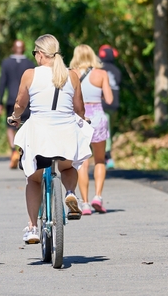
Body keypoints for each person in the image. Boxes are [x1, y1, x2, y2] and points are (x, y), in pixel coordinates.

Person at [8, 34, 93, 242]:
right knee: (67, 167)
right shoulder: (72, 75)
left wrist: (15, 117)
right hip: (65, 132)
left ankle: (32, 227)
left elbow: (20, 103)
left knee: (34, 179)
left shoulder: (30, 74)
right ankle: (70, 192)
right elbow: (79, 107)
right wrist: (84, 119)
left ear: (39, 54)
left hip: (39, 134)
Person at [69, 44, 114, 215]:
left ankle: (85, 203)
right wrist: (100, 92)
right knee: (100, 160)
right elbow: (109, 99)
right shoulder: (101, 74)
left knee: (82, 161)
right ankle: (98, 197)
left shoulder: (71, 73)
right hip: (98, 118)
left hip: (80, 119)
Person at [0, 40, 31, 169]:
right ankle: (22, 150)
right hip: (26, 100)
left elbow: (2, 82)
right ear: (23, 48)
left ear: (13, 48)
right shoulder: (29, 63)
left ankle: (13, 150)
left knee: (10, 126)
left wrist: (0, 101)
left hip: (11, 99)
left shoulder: (6, 63)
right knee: (25, 125)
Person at [98, 44, 122, 168]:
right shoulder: (117, 70)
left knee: (105, 131)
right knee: (108, 129)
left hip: (103, 105)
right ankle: (106, 154)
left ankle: (106, 155)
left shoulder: (99, 69)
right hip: (115, 105)